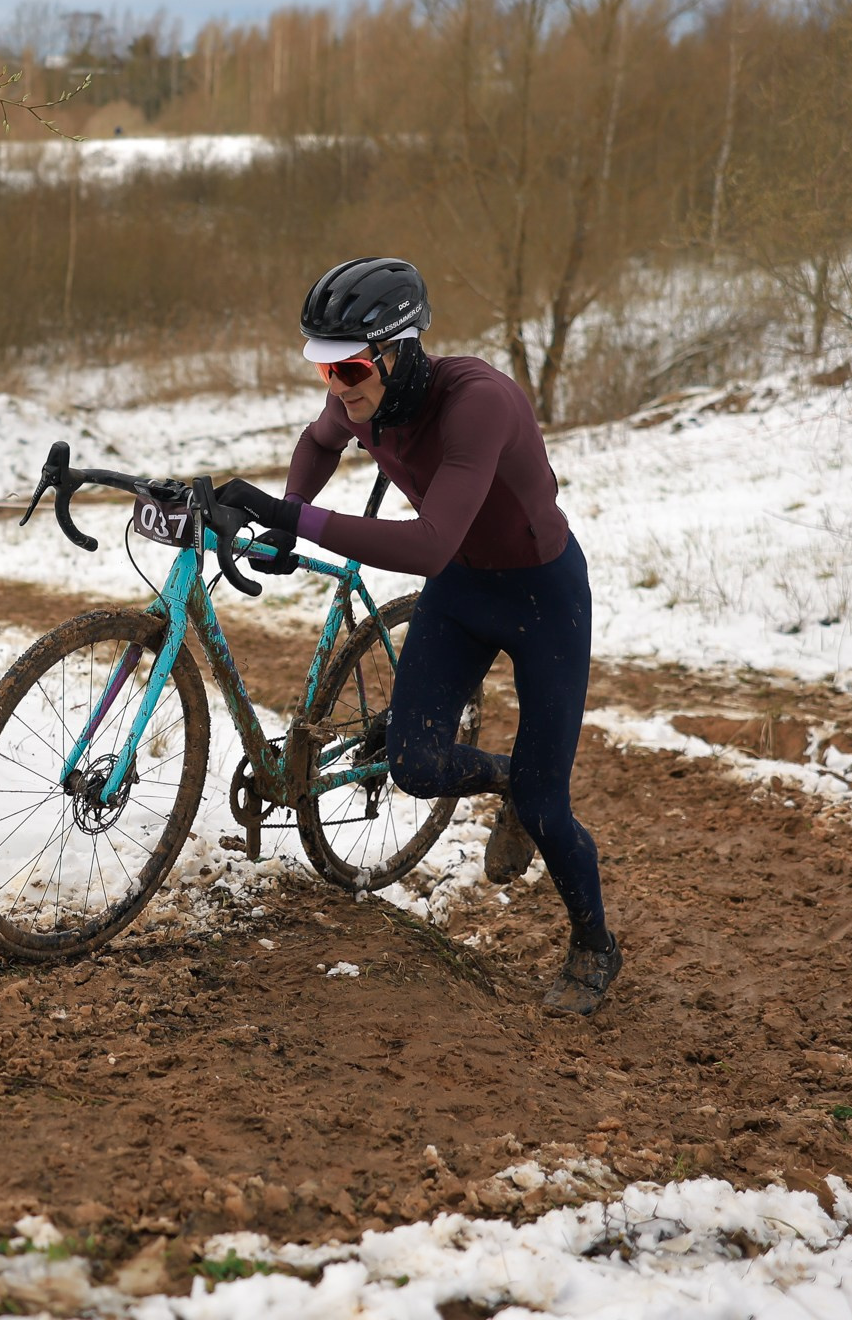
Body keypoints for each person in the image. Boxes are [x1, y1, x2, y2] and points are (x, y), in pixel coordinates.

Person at [215, 257, 619, 1015]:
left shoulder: (479, 403)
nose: (338, 387)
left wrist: (291, 516)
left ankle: (595, 944)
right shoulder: (363, 398)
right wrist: (290, 504)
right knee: (415, 765)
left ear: (401, 350)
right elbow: (319, 441)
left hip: (542, 597)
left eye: (353, 368)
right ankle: (507, 775)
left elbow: (430, 542)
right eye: (325, 369)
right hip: (463, 592)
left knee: (546, 808)